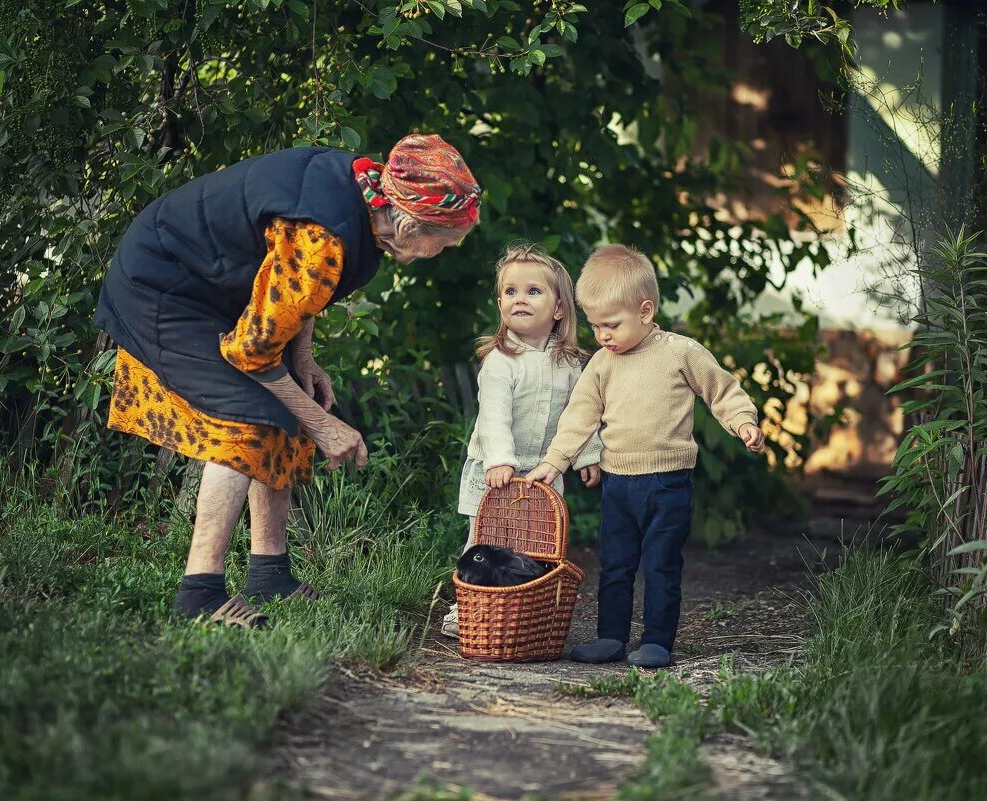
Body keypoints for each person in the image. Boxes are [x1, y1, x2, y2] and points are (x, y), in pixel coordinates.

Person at [94, 134, 480, 628]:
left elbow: (297, 291)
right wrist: (324, 426)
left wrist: (304, 359)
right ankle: (199, 595)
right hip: (163, 285)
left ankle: (269, 574)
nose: (437, 254)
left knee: (290, 397)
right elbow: (254, 348)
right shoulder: (324, 234)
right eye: (442, 243)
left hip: (214, 285)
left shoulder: (362, 191)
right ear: (408, 221)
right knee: (246, 415)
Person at [525, 244, 766, 667]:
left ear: (646, 310)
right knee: (615, 566)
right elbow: (580, 416)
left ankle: (657, 640)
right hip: (618, 485)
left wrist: (743, 421)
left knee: (660, 565)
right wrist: (555, 460)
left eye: (612, 324)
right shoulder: (601, 364)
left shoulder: (679, 352)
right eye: (596, 325)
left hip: (668, 484)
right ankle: (611, 638)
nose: (602, 335)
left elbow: (721, 390)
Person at [443, 243, 602, 637]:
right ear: (499, 302)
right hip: (497, 471)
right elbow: (494, 416)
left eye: (533, 292)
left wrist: (587, 456)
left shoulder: (568, 363)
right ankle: (468, 611)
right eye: (510, 292)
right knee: (485, 541)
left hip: (543, 473)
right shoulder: (500, 361)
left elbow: (578, 416)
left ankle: (525, 612)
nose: (520, 299)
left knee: (537, 544)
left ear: (559, 309)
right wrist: (500, 459)